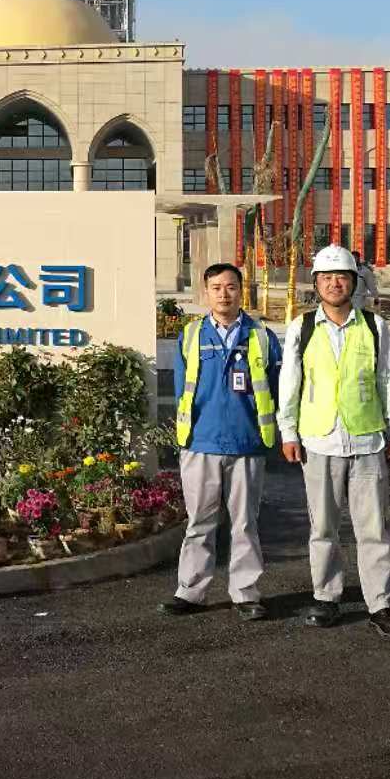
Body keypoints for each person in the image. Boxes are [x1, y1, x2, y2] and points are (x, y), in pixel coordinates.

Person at [278, 244, 390, 641]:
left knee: (373, 530)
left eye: (341, 277)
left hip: (368, 441)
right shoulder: (302, 327)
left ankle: (380, 605)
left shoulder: (374, 326)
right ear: (316, 283)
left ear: (353, 282)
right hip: (319, 441)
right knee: (323, 527)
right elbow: (290, 383)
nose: (334, 283)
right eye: (326, 277)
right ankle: (326, 596)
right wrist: (288, 432)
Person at [159, 262, 283, 621]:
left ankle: (246, 593)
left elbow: (276, 389)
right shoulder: (191, 335)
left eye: (230, 287)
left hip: (247, 443)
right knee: (199, 522)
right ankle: (190, 591)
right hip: (201, 442)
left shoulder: (261, 336)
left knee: (245, 523)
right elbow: (182, 389)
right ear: (205, 293)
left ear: (241, 291)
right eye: (216, 288)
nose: (223, 294)